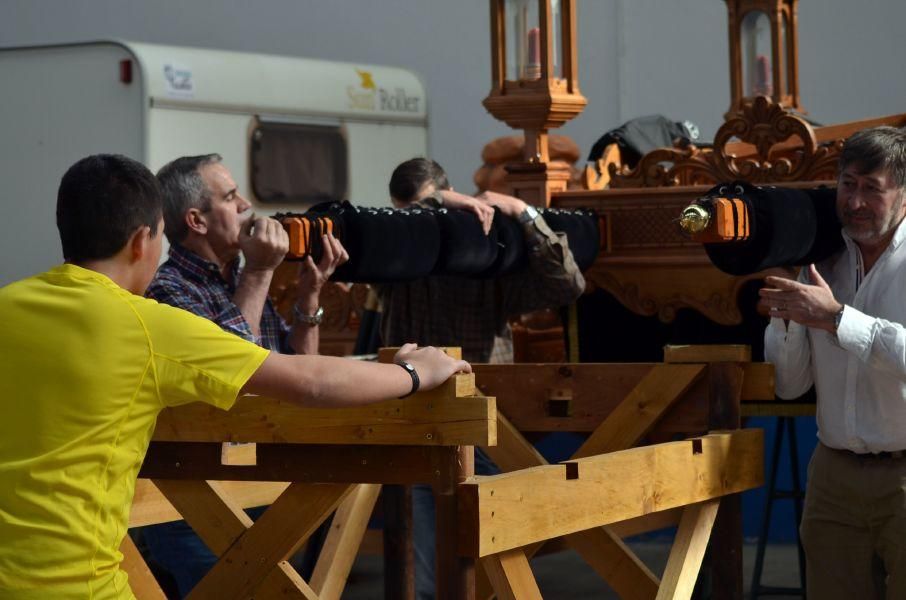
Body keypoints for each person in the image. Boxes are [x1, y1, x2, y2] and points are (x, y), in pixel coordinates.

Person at [0, 153, 469, 600]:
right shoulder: (147, 324)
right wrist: (414, 372)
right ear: (142, 241)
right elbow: (309, 381)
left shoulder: (10, 304)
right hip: (76, 583)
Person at [134, 153, 348, 595]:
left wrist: (309, 297)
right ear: (196, 220)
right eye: (231, 197)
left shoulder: (240, 277)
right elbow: (230, 372)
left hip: (256, 487)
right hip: (190, 503)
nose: (247, 204)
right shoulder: (169, 290)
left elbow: (294, 367)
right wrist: (261, 271)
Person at [380, 157, 586, 599]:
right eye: (410, 215)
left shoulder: (484, 260)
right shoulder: (397, 262)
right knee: (429, 569)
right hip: (417, 423)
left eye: (428, 212)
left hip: (486, 425)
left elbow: (568, 284)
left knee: (498, 552)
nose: (418, 227)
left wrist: (523, 212)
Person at [761, 126, 906, 599]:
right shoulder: (819, 259)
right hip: (833, 476)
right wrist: (787, 314)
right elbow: (788, 387)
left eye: (872, 189)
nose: (856, 202)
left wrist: (838, 317)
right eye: (848, 184)